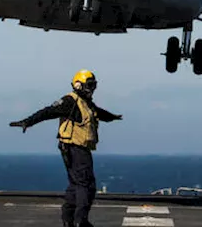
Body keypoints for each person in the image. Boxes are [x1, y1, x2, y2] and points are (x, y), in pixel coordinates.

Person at [10, 69, 123, 227]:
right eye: (89, 85)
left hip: (75, 148)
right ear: (79, 85)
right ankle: (80, 221)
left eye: (93, 85)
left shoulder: (85, 102)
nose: (92, 89)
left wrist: (112, 117)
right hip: (75, 148)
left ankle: (68, 219)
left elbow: (98, 112)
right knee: (86, 185)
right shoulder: (70, 101)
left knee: (75, 184)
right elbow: (48, 112)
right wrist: (28, 122)